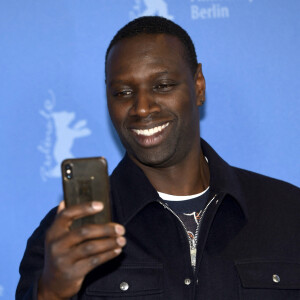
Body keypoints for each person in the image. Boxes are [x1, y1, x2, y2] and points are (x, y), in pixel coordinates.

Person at [16, 16, 300, 300]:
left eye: (162, 86)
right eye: (123, 92)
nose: (141, 108)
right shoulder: (67, 238)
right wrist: (51, 292)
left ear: (198, 85)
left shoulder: (287, 212)